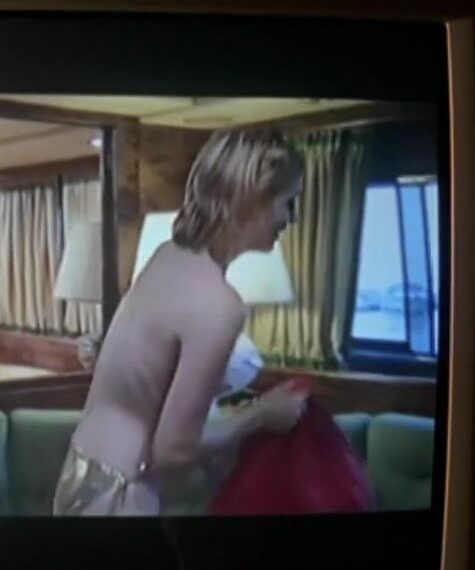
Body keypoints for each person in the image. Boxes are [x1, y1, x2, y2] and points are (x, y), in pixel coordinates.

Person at [53, 129, 308, 516]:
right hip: (121, 492)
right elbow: (173, 450)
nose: (291, 218)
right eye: (287, 202)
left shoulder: (165, 257)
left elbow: (148, 380)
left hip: (81, 472)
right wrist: (262, 413)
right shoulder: (219, 305)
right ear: (253, 198)